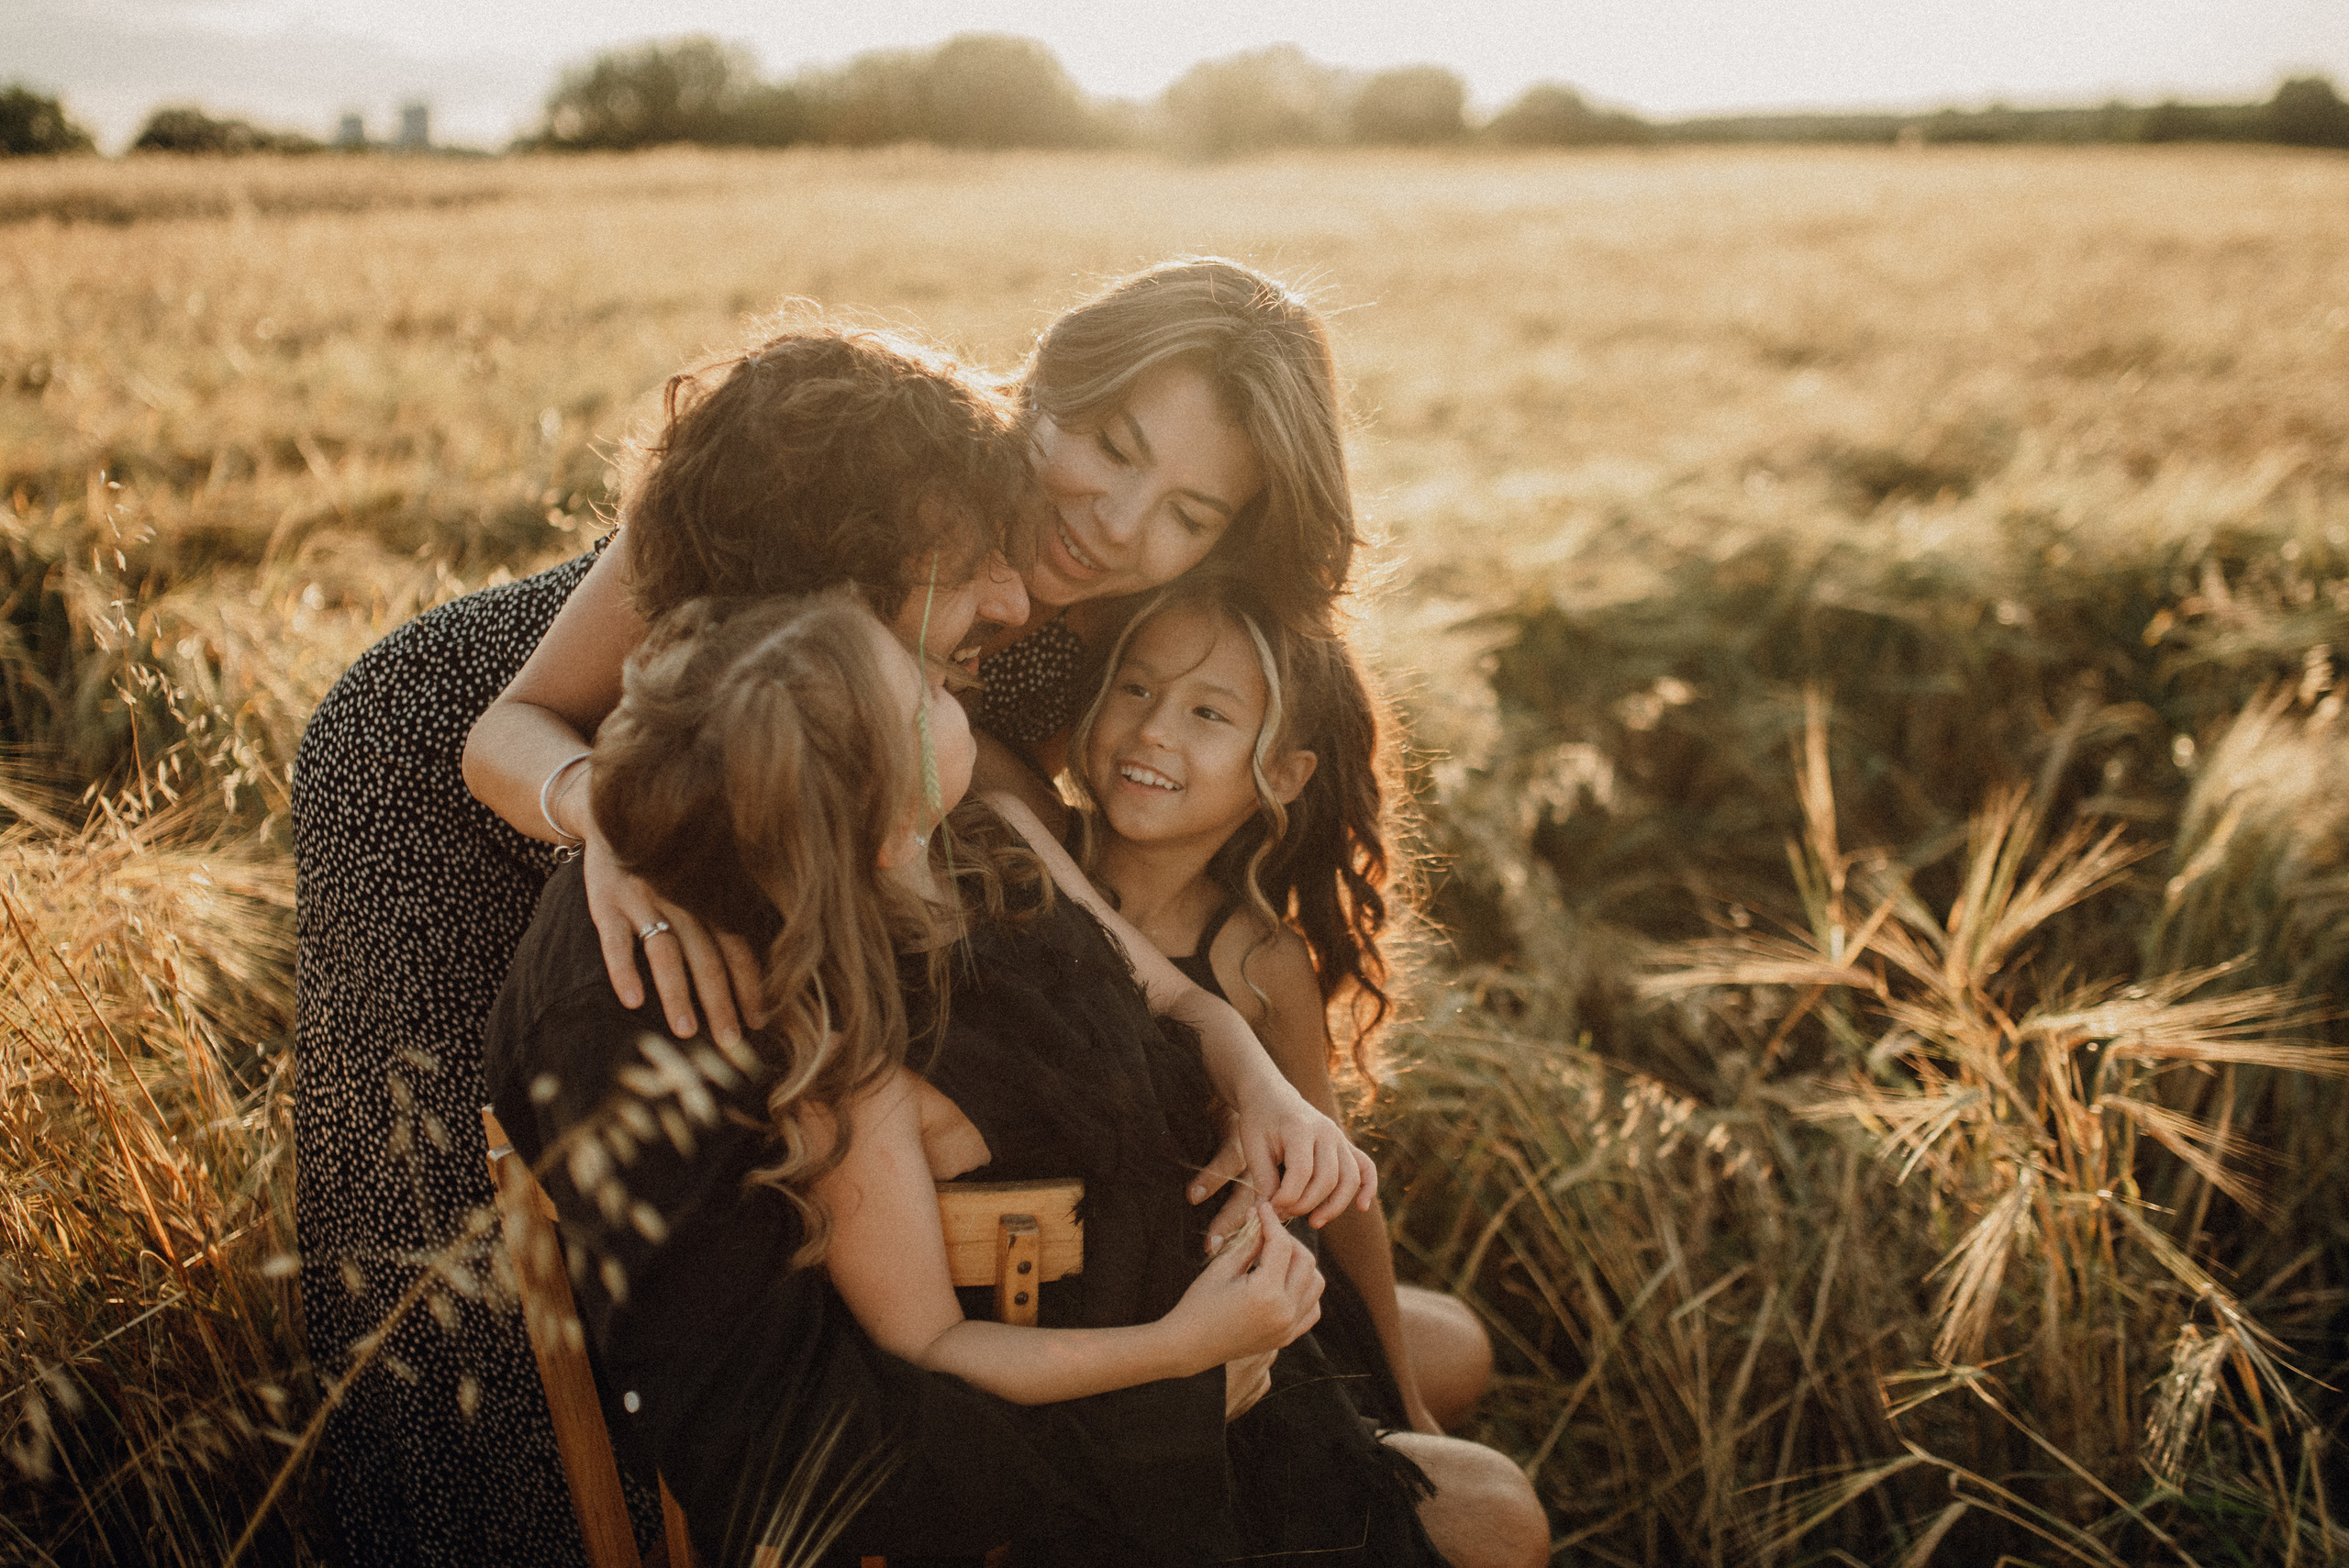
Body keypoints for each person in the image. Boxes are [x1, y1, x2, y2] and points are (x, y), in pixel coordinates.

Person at [483, 591, 1546, 1567]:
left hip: (1229, 1298)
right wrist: (1179, 1353)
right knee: (1500, 1508)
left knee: (1457, 1366)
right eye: (929, 689)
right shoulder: (857, 1079)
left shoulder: (1004, 835)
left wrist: (1265, 1098)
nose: (958, 682)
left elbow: (1174, 1001)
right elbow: (933, 1344)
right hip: (1153, 1403)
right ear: (891, 812)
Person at [292, 323, 1040, 1566]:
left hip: (679, 761)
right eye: (985, 559)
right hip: (436, 765)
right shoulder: (768, 508)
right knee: (458, 1216)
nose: (1034, 581)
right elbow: (507, 725)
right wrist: (615, 817)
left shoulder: (1008, 546)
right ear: (837, 581)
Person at [462, 257, 1362, 1055]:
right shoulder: (857, 446)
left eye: (1189, 515)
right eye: (1114, 447)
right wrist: (614, 812)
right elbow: (509, 721)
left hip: (697, 835)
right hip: (494, 755)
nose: (1119, 524)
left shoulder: (1130, 635)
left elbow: (957, 799)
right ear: (1050, 379)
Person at [1061, 576, 1498, 1437]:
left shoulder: (1261, 960)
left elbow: (1338, 1183)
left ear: (1286, 773)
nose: (1152, 728)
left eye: (1208, 715)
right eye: (1137, 688)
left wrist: (1401, 1398)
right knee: (1481, 1471)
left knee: (1455, 1346)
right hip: (1126, 1301)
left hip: (1215, 1266)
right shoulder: (1030, 854)